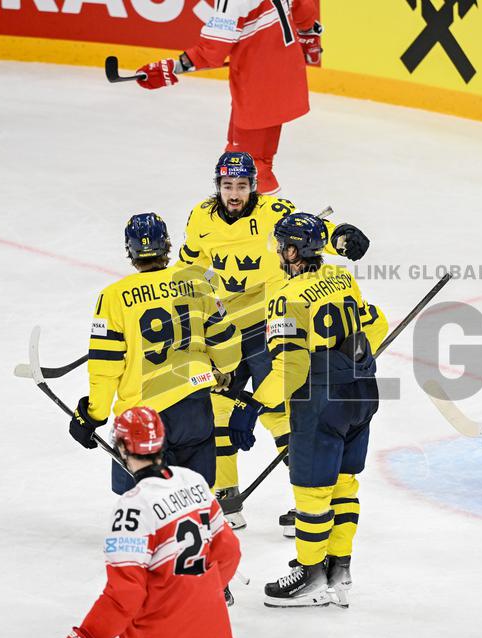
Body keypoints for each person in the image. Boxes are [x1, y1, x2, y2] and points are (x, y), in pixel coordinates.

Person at [178, 152, 371, 529]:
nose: (234, 194)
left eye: (242, 186)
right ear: (217, 186)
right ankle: (226, 498)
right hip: (224, 327)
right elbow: (190, 263)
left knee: (279, 413)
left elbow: (311, 231)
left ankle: (303, 500)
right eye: (227, 186)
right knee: (217, 409)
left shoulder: (274, 210)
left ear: (254, 185)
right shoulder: (200, 216)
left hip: (271, 322)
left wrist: (342, 237)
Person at [227, 212, 387, 608]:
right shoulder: (342, 278)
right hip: (363, 393)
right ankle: (340, 569)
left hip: (322, 401)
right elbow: (376, 324)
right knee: (346, 484)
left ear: (295, 251)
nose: (278, 251)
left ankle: (311, 574)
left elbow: (290, 367)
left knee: (313, 493)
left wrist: (254, 405)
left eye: (282, 245)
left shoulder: (286, 297)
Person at [42, 407, 241, 638]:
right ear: (160, 440)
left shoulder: (134, 508)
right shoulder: (193, 481)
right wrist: (193, 602)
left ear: (122, 448)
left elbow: (125, 594)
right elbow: (229, 552)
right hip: (201, 630)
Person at [68, 213, 241, 495]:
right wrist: (225, 370)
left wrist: (92, 415)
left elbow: (105, 366)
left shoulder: (113, 297)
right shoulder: (197, 281)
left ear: (130, 250)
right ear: (168, 245)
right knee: (196, 496)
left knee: (147, 501)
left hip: (142, 417)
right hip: (194, 405)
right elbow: (226, 341)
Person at [135, 0, 323, 194]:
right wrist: (308, 35)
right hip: (285, 73)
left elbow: (212, 51)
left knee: (245, 165)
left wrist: (171, 68)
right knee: (260, 160)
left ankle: (268, 220)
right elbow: (305, 10)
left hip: (257, 85)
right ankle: (268, 217)